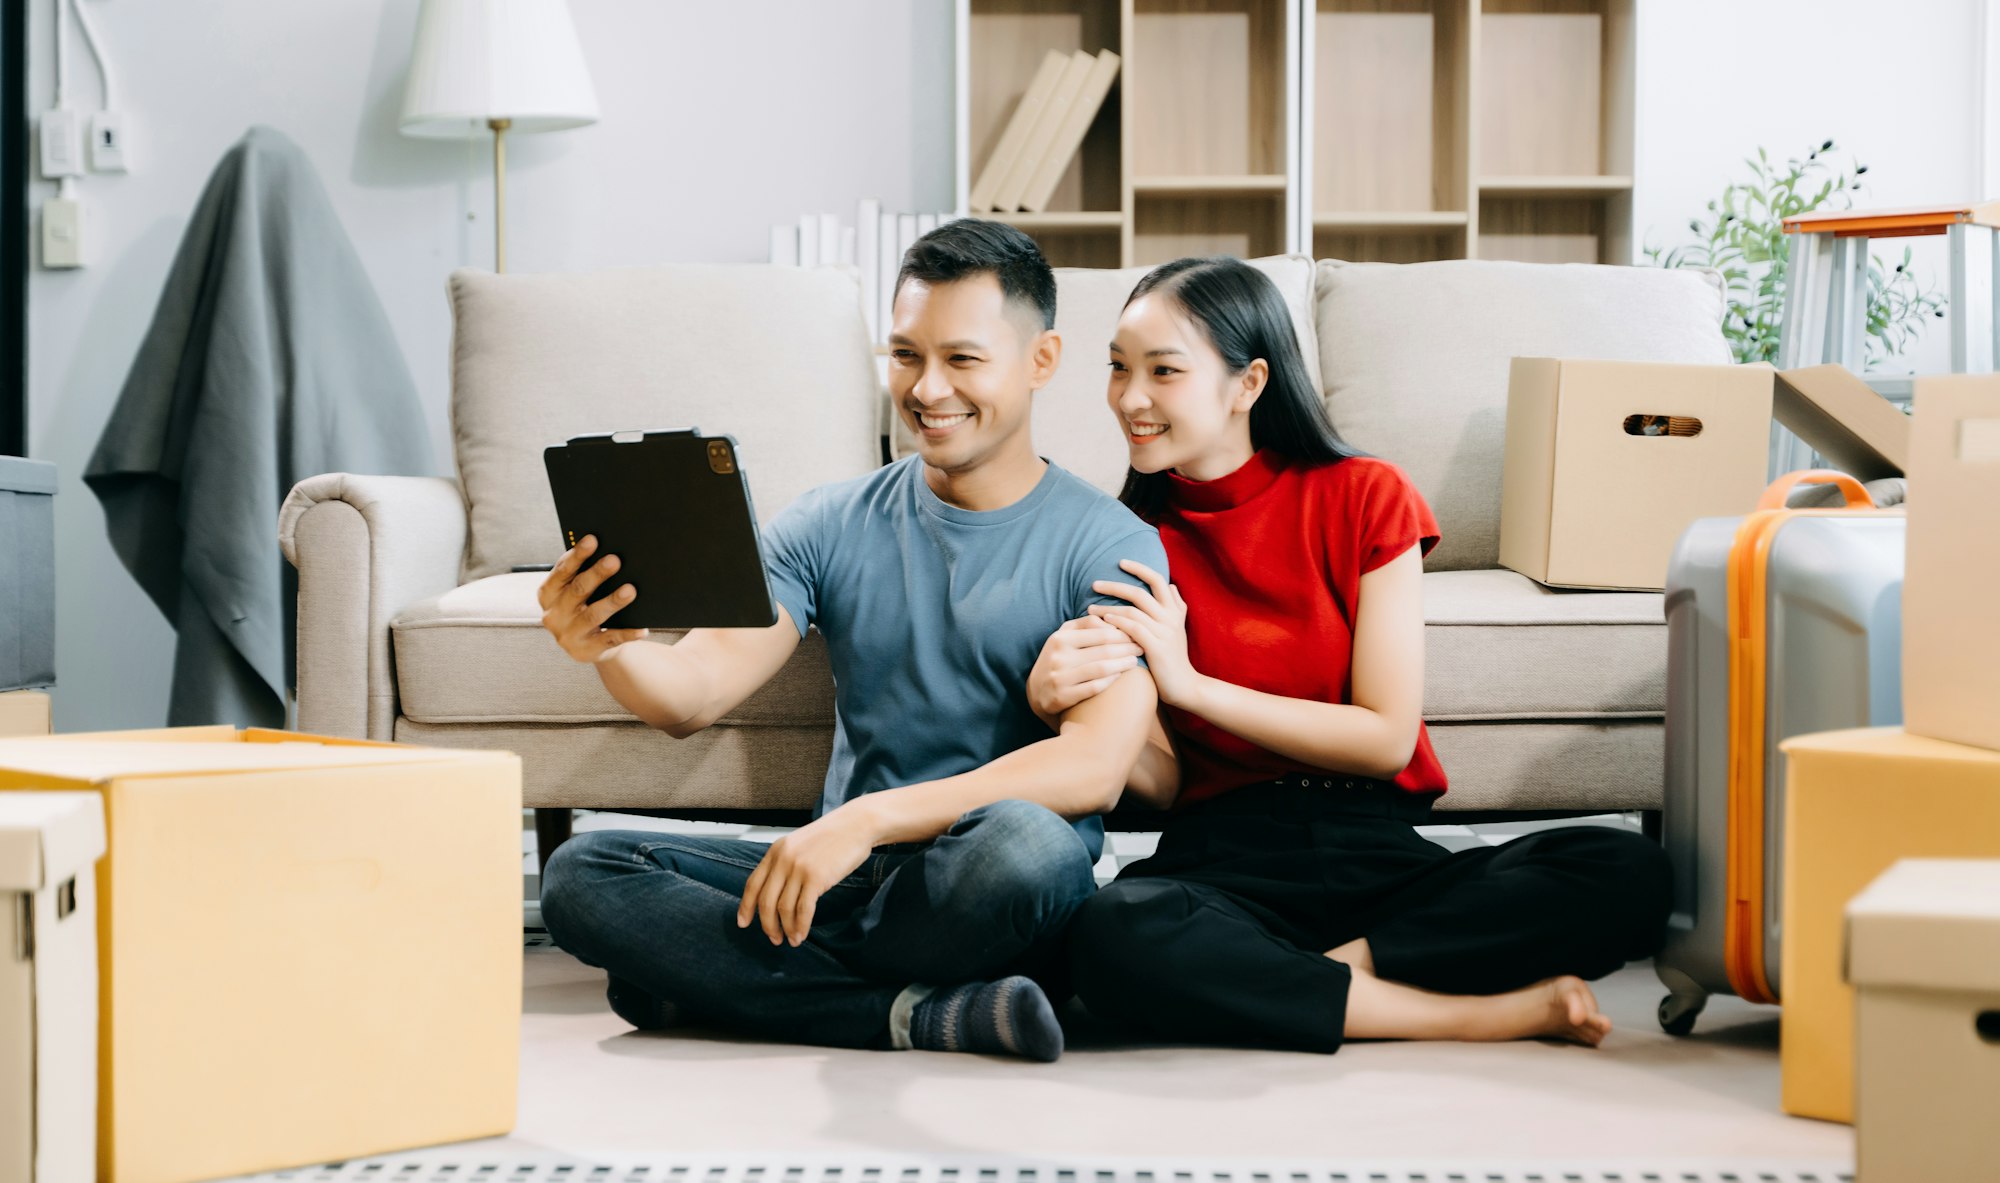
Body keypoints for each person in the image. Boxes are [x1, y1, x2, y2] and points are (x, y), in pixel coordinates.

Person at [533, 220, 1167, 1063]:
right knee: (584, 874)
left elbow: (1092, 767)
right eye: (905, 355)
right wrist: (609, 644)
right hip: (840, 882)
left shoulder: (1108, 544)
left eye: (962, 359)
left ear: (1042, 361)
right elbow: (691, 693)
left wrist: (866, 820)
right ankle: (911, 1013)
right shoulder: (830, 521)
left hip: (973, 876)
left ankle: (724, 981)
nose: (927, 388)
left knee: (1033, 846)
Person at [1030, 256, 1672, 1053]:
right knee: (1111, 927)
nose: (1130, 398)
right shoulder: (1119, 540)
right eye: (1119, 369)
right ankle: (1468, 1014)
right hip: (1225, 853)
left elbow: (1385, 738)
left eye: (1164, 371)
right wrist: (1063, 710)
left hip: (1377, 848)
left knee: (1629, 868)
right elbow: (1162, 785)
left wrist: (1191, 686)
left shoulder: (1366, 494)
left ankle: (1324, 978)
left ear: (1248, 382)